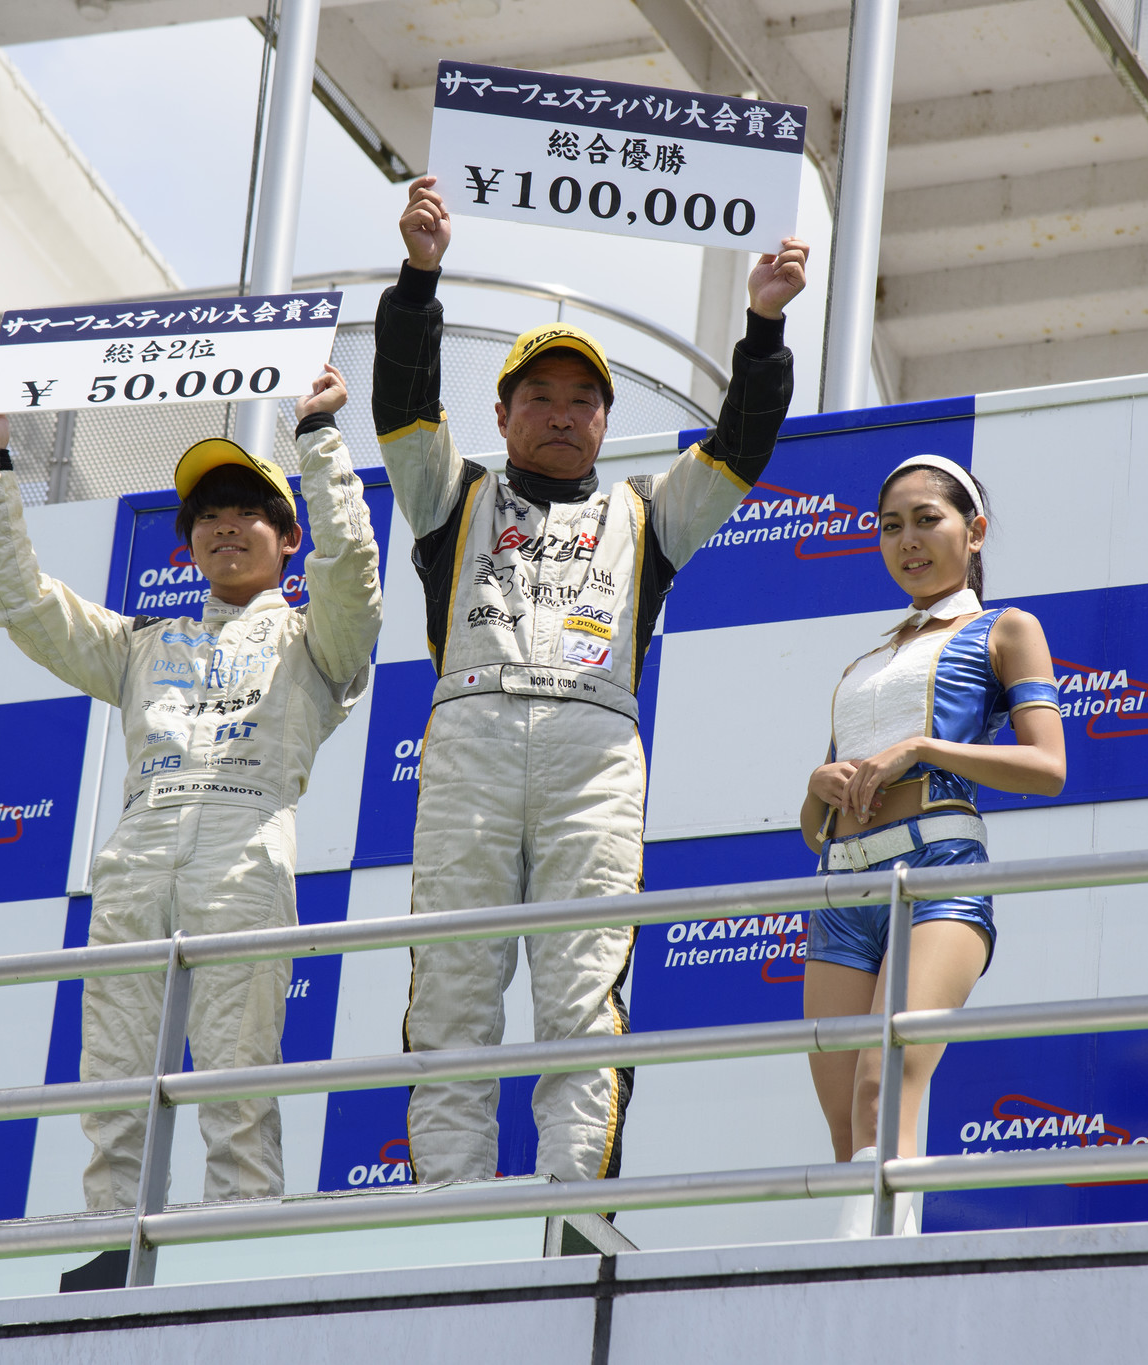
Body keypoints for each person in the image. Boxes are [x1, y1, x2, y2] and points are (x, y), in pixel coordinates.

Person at [375, 176, 810, 1184]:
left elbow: (741, 444)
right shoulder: (451, 495)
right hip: (472, 754)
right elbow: (401, 401)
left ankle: (574, 1216)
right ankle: (447, 1217)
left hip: (594, 761)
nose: (562, 415)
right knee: (451, 993)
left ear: (608, 421)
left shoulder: (648, 512)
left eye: (583, 401)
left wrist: (762, 327)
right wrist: (420, 278)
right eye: (540, 397)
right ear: (502, 412)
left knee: (583, 991)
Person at [0, 366, 380, 1224]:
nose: (225, 524)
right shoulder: (140, 644)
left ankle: (236, 1248)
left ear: (288, 538)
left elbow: (351, 567)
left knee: (235, 1084)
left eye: (248, 511)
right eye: (207, 515)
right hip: (136, 857)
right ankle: (111, 1246)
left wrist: (320, 439)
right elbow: (22, 600)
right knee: (114, 1089)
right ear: (187, 544)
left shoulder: (318, 639)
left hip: (245, 850)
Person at [799, 455, 1065, 1235]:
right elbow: (815, 828)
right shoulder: (865, 662)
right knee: (847, 1128)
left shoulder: (1006, 628)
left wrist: (922, 749)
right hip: (841, 887)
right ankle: (858, 1271)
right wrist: (816, 787)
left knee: (882, 1092)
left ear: (974, 531)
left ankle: (875, 1278)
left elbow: (1048, 766)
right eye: (891, 526)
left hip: (936, 873)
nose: (907, 540)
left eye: (927, 519)